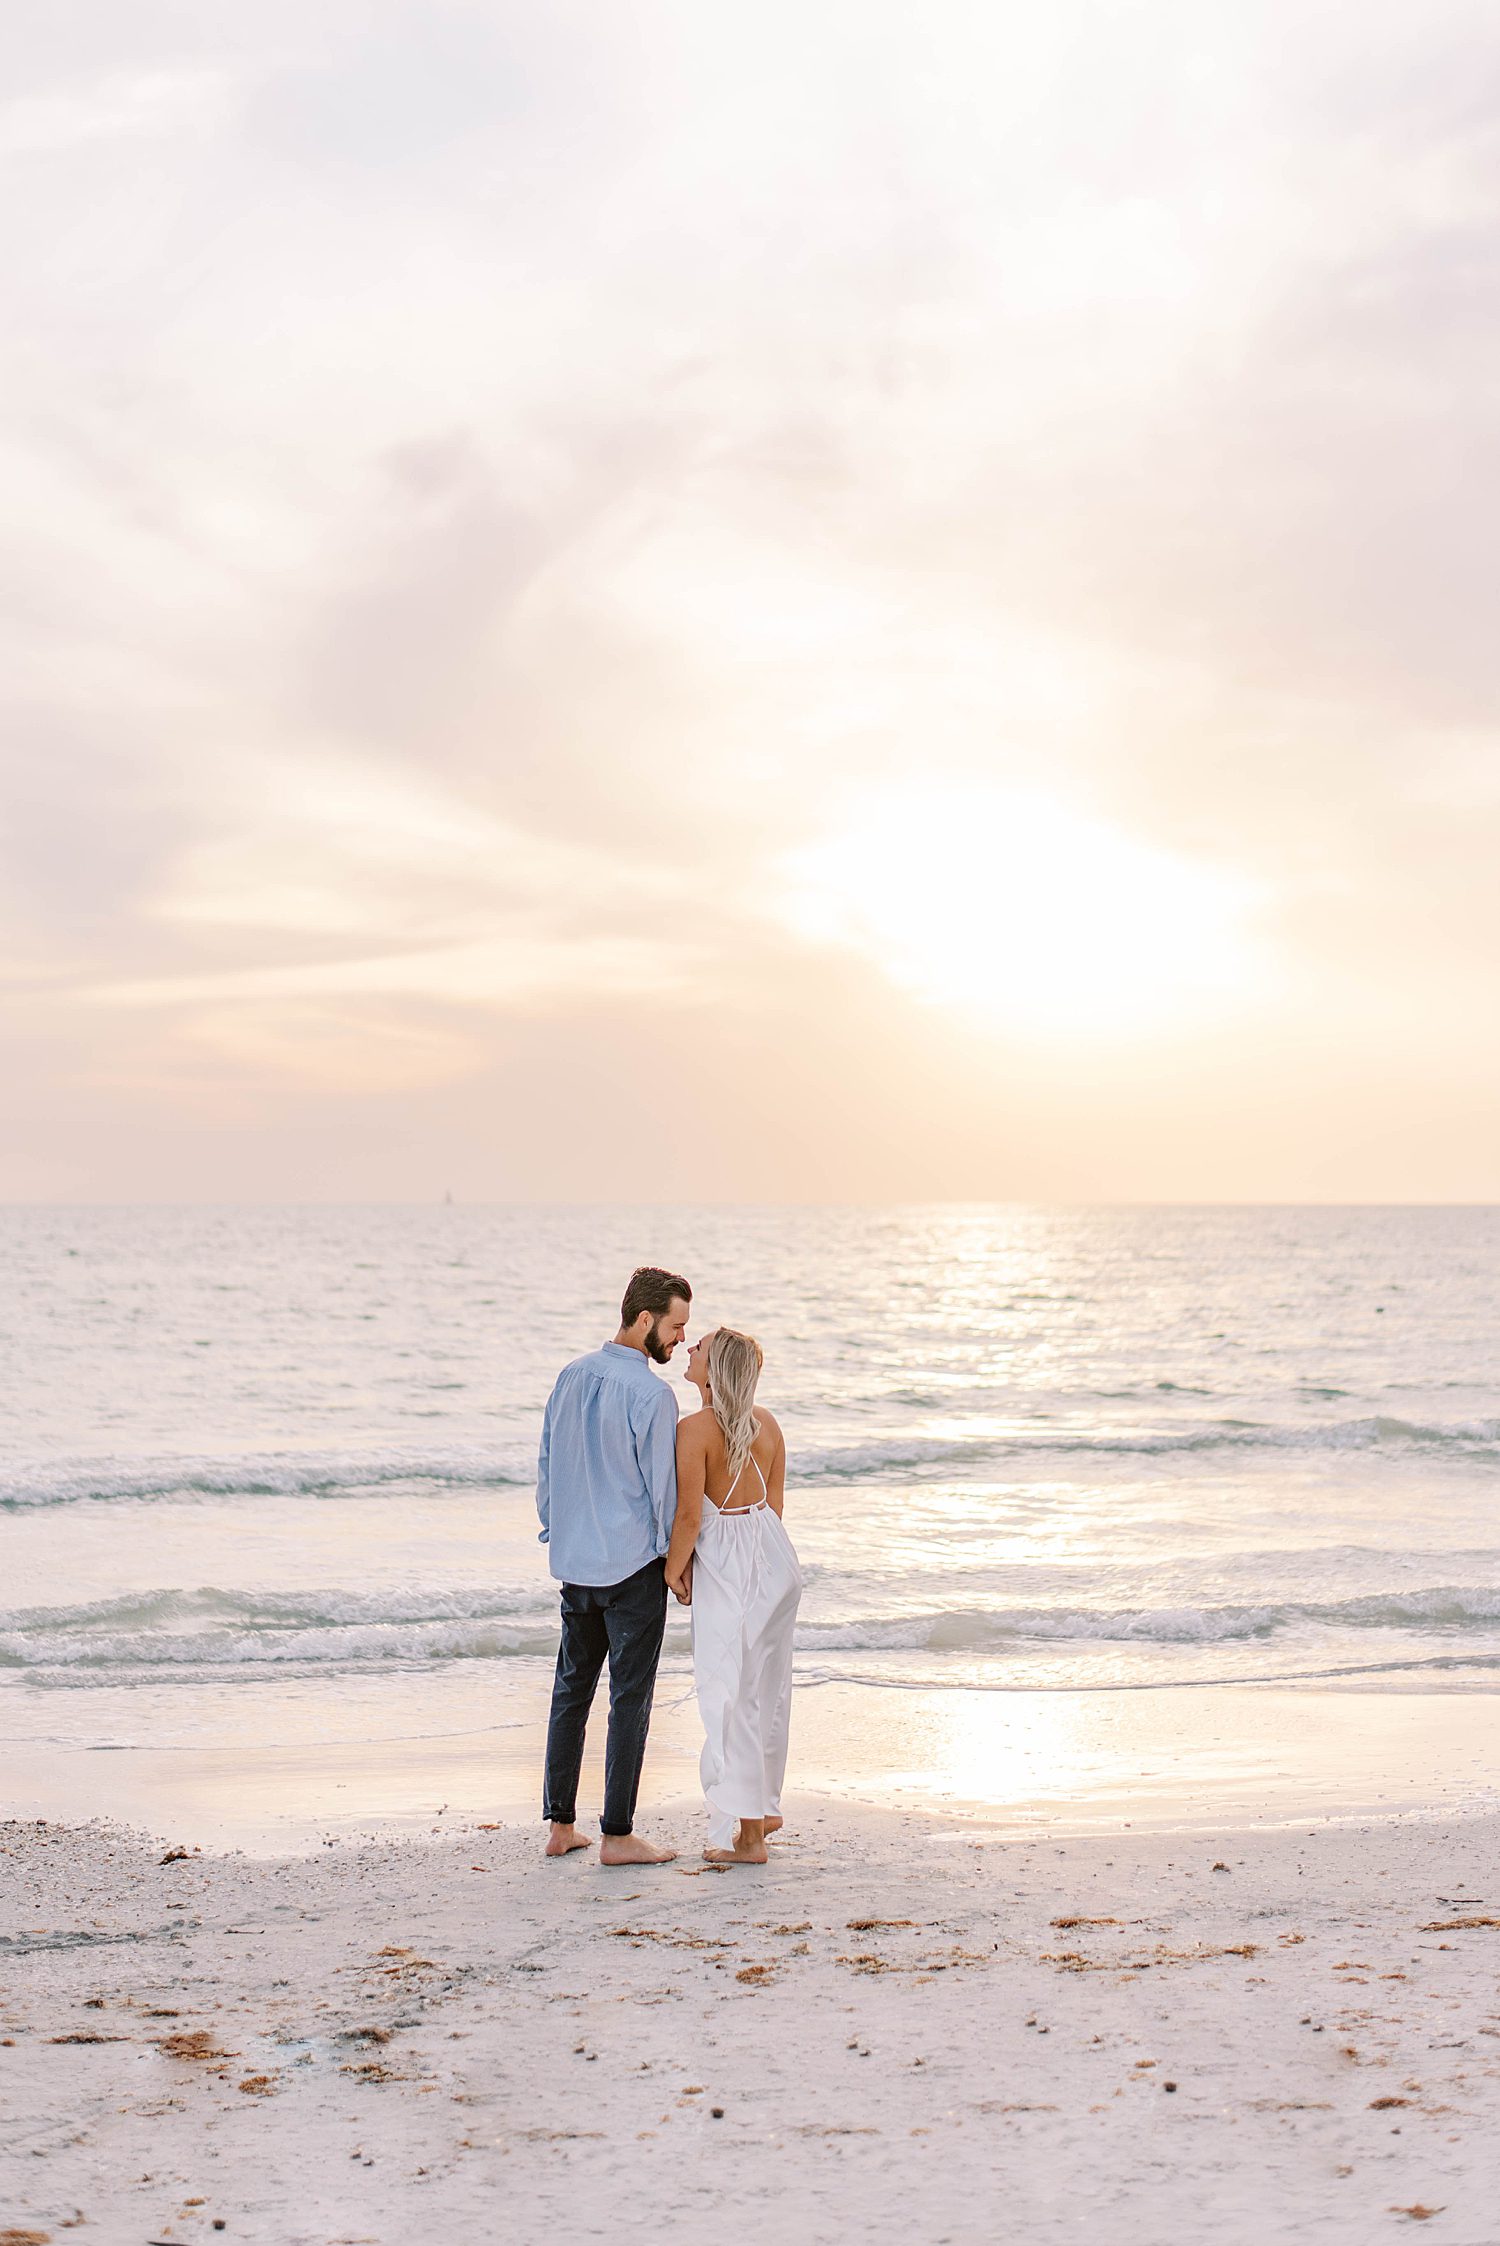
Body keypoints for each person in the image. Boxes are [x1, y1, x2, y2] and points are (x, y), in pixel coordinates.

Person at [536, 1266, 691, 1865]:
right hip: (631, 1570)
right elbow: (663, 1493)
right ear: (646, 1319)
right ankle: (618, 1836)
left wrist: (558, 1528)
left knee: (570, 1694)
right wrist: (673, 1564)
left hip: (576, 1564)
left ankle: (560, 1827)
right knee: (630, 1698)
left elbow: (548, 1464)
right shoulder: (652, 1394)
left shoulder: (571, 1375)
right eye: (676, 1327)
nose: (679, 1340)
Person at [664, 1326, 802, 1865]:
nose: (690, 1350)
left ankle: (749, 1839)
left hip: (730, 1570)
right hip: (774, 1565)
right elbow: (775, 1507)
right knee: (766, 1694)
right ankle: (761, 1809)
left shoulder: (694, 1429)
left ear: (714, 1369)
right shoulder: (766, 1424)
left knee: (729, 1696)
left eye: (698, 1347)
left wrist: (675, 1571)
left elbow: (691, 1515)